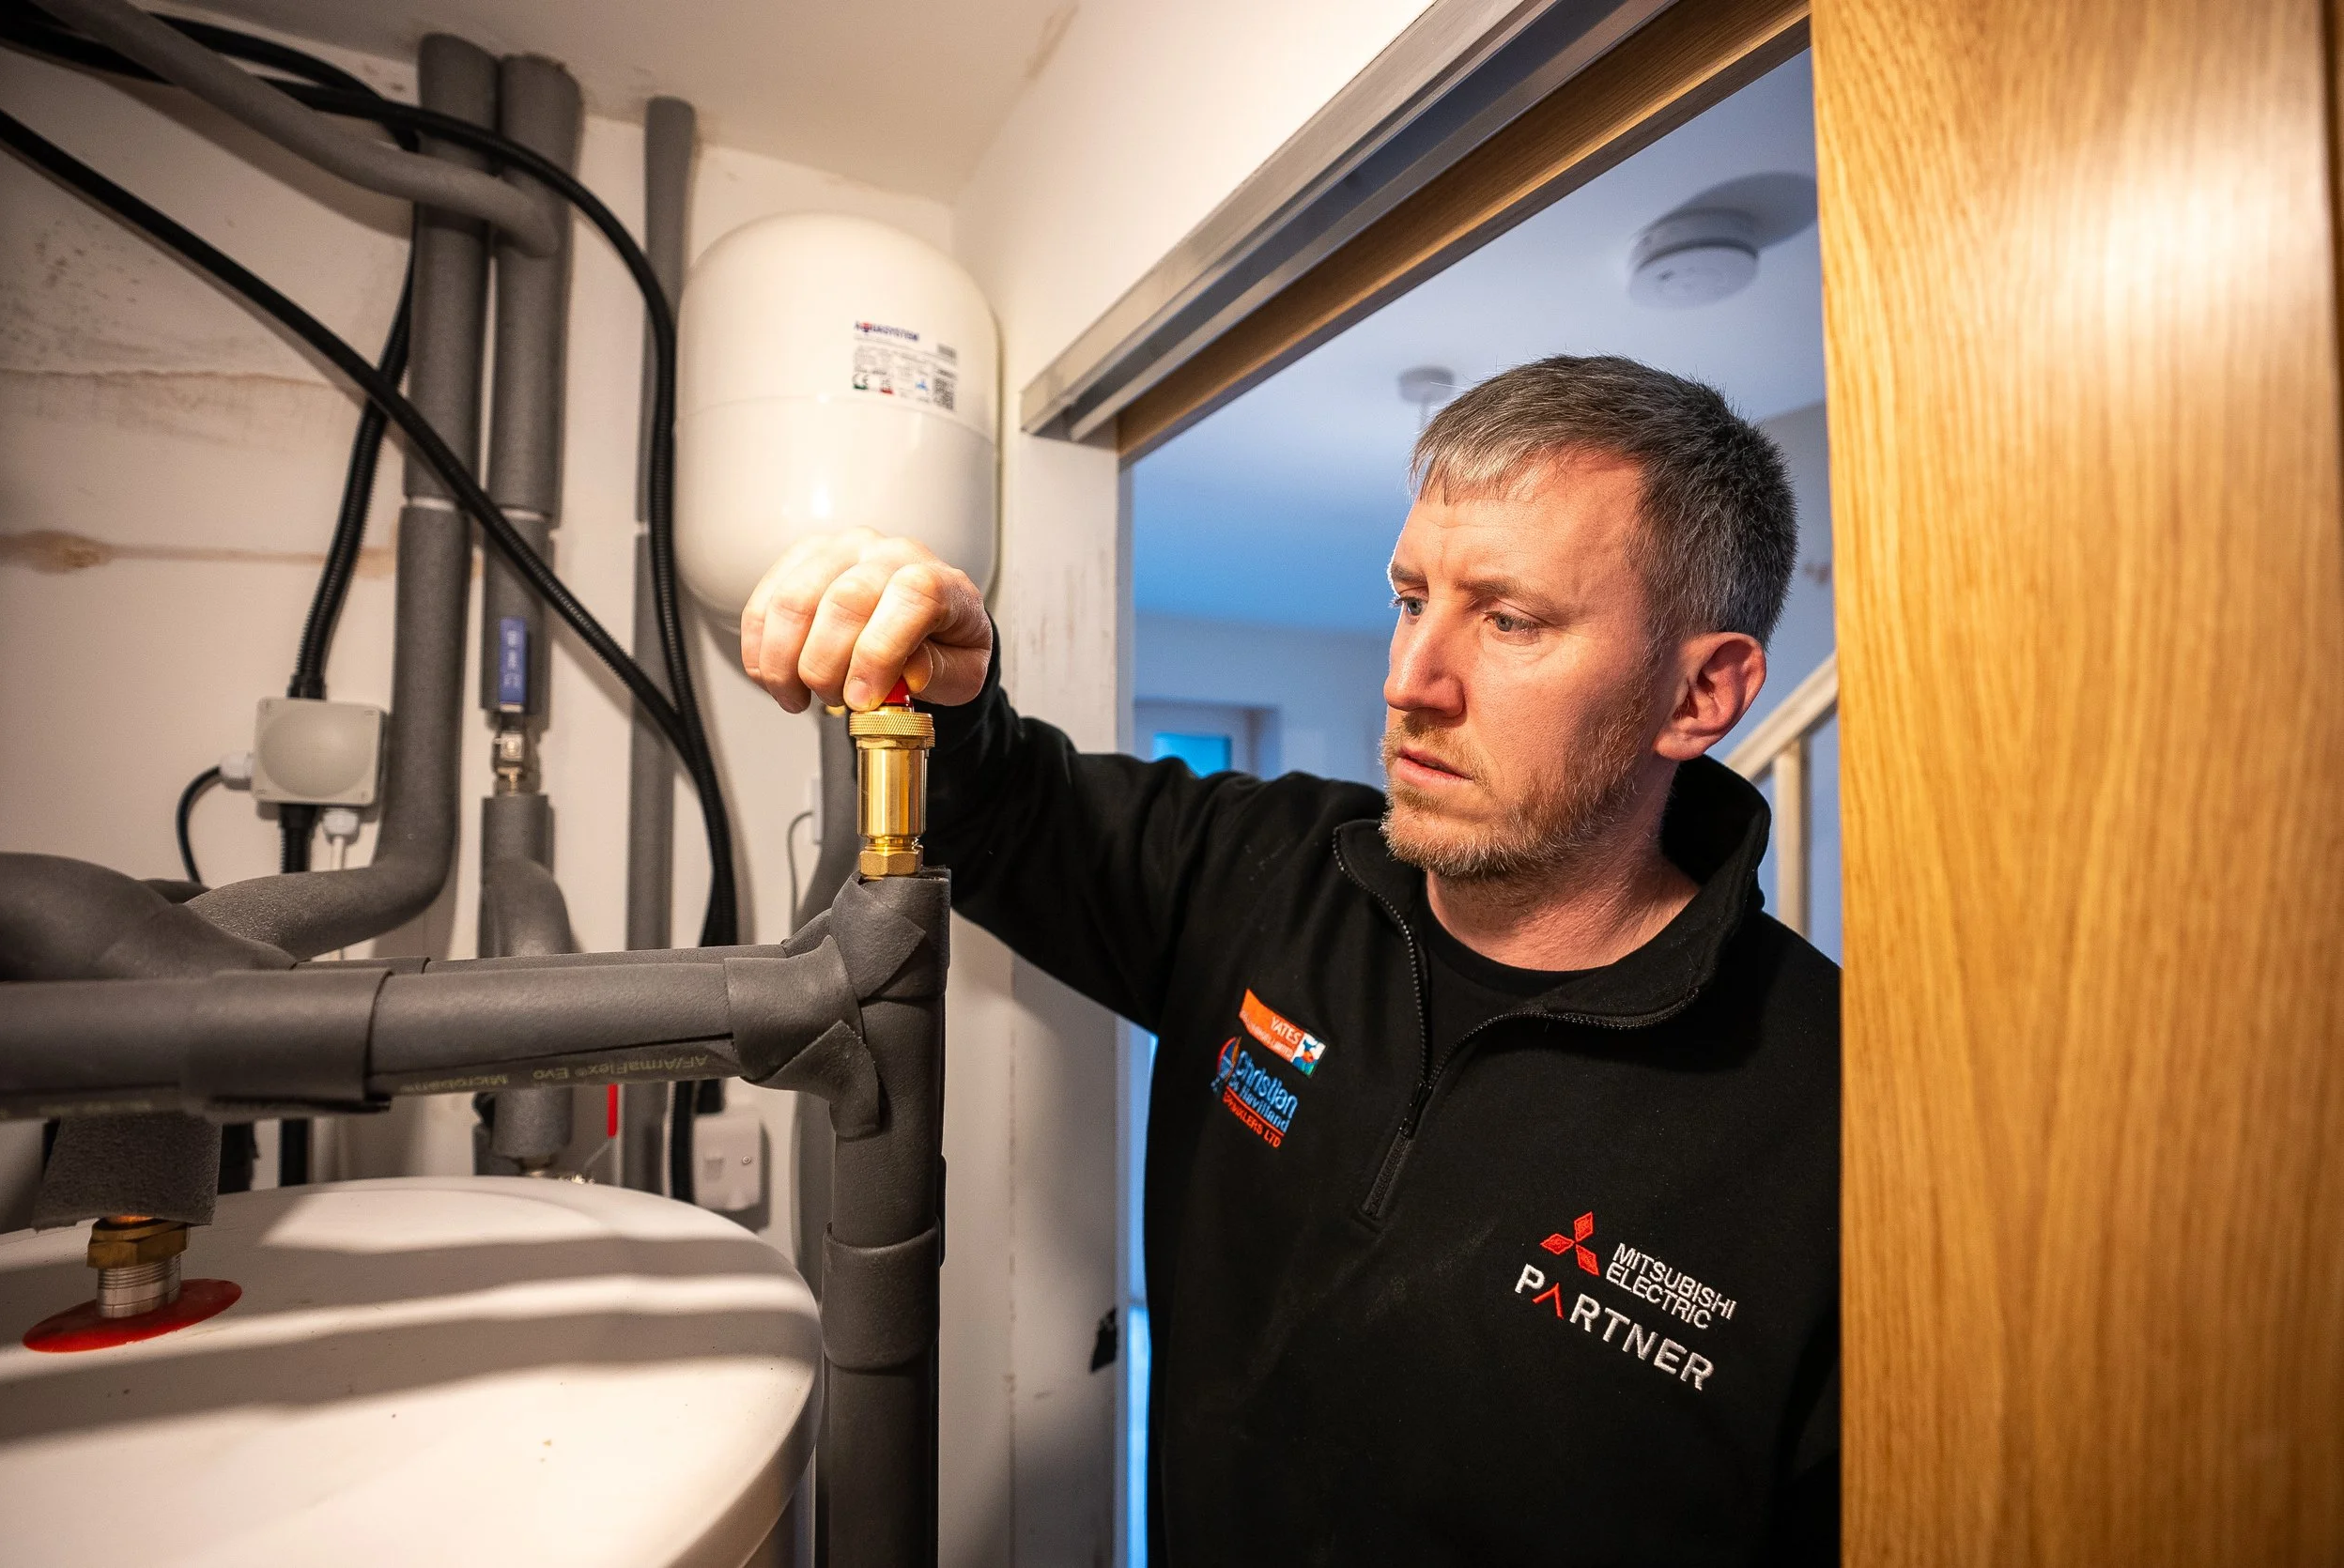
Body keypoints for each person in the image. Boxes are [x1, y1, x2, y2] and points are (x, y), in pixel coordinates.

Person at [740, 354, 1838, 1565]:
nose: (1410, 680)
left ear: (1700, 695)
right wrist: (944, 689)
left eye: (1511, 619)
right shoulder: (1265, 867)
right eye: (1412, 598)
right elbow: (1007, 809)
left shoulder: (1836, 1119)